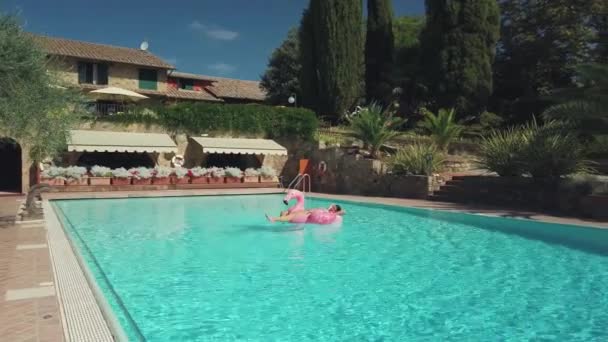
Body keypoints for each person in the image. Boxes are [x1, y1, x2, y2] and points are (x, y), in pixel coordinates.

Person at [266, 204, 345, 223]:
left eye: (334, 207)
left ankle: (274, 219)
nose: (332, 207)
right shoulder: (326, 209)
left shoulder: (330, 214)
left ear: (335, 210)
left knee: (291, 216)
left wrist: (336, 211)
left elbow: (343, 212)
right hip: (307, 211)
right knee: (284, 212)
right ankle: (282, 221)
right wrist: (329, 207)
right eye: (332, 206)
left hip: (307, 215)